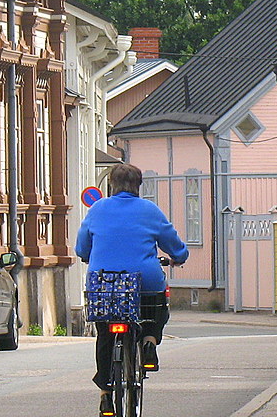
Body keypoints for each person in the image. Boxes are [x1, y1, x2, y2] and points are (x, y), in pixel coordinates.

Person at [76, 163, 189, 417]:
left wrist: (89, 256)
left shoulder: (97, 209)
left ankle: (105, 396)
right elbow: (174, 244)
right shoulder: (150, 210)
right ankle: (149, 342)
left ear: (112, 185)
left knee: (105, 333)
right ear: (138, 186)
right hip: (144, 280)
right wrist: (179, 256)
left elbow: (82, 247)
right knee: (156, 307)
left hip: (105, 282)